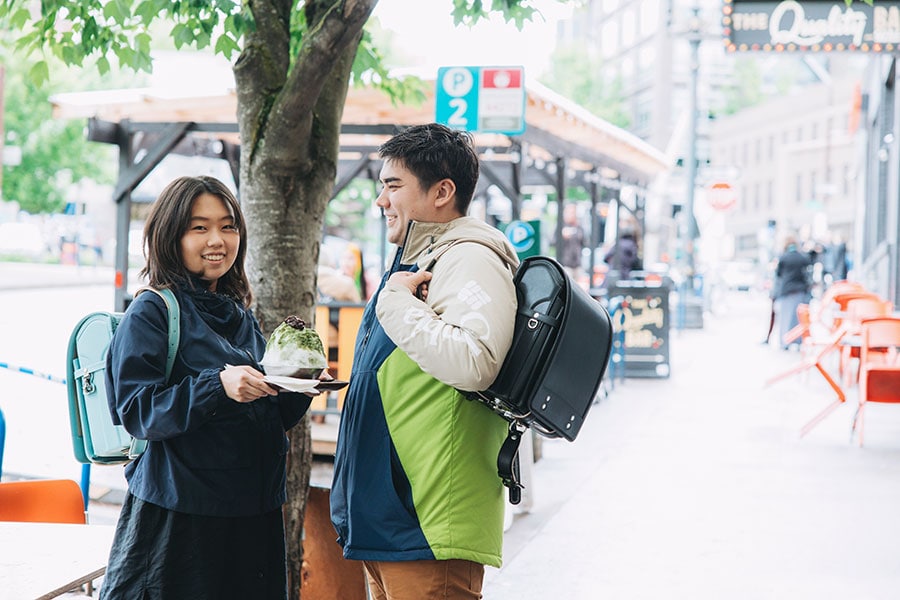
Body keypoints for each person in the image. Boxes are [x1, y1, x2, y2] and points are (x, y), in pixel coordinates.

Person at [100, 176, 316, 600]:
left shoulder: (240, 315)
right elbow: (136, 411)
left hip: (254, 516)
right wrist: (216, 386)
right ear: (171, 236)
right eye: (199, 228)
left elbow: (268, 417)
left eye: (228, 226)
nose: (217, 240)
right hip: (181, 520)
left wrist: (295, 387)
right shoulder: (152, 311)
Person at [329, 123, 520, 600]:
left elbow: (476, 361)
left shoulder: (471, 258)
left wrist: (394, 303)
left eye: (393, 186)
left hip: (427, 523)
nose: (381, 201)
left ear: (443, 191)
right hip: (394, 522)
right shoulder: (421, 260)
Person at [773, 234, 813, 350]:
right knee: (798, 319)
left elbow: (778, 274)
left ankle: (785, 342)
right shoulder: (802, 258)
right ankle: (798, 341)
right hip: (800, 290)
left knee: (785, 318)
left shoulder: (783, 258)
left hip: (787, 290)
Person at [558, 202, 585, 279]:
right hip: (565, 264)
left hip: (577, 264)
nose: (572, 214)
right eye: (570, 212)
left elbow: (585, 242)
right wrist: (562, 236)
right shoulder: (561, 225)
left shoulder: (579, 227)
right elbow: (553, 242)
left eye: (574, 212)